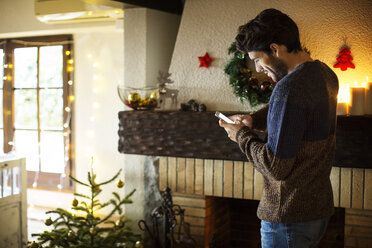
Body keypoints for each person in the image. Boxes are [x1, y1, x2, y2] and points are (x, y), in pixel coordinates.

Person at [219, 8, 339, 248]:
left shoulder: (289, 89)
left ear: (275, 49)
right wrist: (254, 120)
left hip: (288, 218)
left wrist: (240, 135)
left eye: (256, 59)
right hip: (316, 211)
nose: (257, 69)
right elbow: (298, 117)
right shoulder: (325, 74)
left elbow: (276, 167)